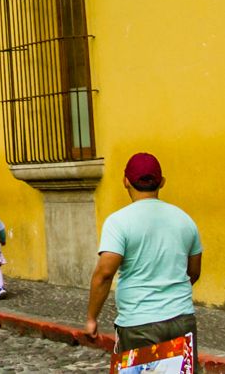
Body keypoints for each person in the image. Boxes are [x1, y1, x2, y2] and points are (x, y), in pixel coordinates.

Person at [84, 152, 204, 356]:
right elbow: (193, 271)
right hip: (182, 319)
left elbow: (104, 274)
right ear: (162, 182)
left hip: (138, 323)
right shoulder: (185, 220)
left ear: (126, 181)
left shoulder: (118, 222)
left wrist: (91, 318)